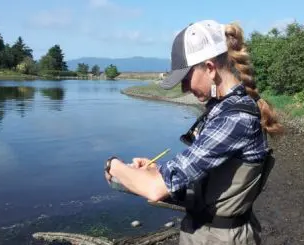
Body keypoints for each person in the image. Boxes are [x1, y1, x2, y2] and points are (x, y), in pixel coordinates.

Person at [104, 19, 283, 245]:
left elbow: (155, 190)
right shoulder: (221, 110)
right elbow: (211, 177)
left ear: (209, 68)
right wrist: (158, 170)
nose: (184, 88)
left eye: (186, 78)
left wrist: (114, 165)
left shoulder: (234, 119)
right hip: (209, 233)